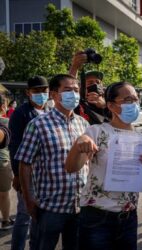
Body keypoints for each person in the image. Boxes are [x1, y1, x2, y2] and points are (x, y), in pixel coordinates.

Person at [65, 82, 142, 250]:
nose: (134, 104)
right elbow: (71, 167)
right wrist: (79, 144)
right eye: (128, 100)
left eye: (135, 99)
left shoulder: (141, 138)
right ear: (111, 105)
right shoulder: (96, 132)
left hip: (128, 217)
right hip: (97, 217)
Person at [15, 74, 89, 250]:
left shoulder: (83, 124)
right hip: (50, 208)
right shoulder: (38, 124)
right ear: (54, 95)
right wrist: (28, 199)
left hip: (79, 207)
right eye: (68, 90)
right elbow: (25, 163)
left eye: (76, 90)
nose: (74, 94)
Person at [9, 75, 50, 250]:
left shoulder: (50, 111)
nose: (41, 94)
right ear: (28, 92)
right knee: (24, 214)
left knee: (40, 215)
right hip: (27, 173)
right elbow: (14, 146)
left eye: (44, 90)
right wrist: (17, 175)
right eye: (36, 91)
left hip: (46, 174)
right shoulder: (21, 114)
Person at [69, 52, 107, 125]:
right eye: (90, 83)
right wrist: (75, 66)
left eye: (98, 82)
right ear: (81, 87)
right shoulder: (78, 103)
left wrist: (104, 106)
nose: (95, 85)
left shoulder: (110, 104)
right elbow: (70, 85)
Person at [0, 94, 13, 230]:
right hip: (3, 162)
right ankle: (5, 220)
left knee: (4, 193)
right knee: (4, 194)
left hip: (3, 162)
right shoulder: (7, 121)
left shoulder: (5, 122)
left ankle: (5, 220)